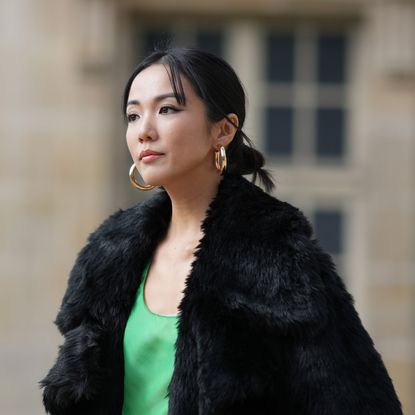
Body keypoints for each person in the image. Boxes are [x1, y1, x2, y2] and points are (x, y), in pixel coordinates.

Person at [40, 47, 403, 415]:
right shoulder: (108, 255)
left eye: (167, 109)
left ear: (223, 130)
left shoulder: (277, 257)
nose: (144, 131)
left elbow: (358, 400)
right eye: (133, 116)